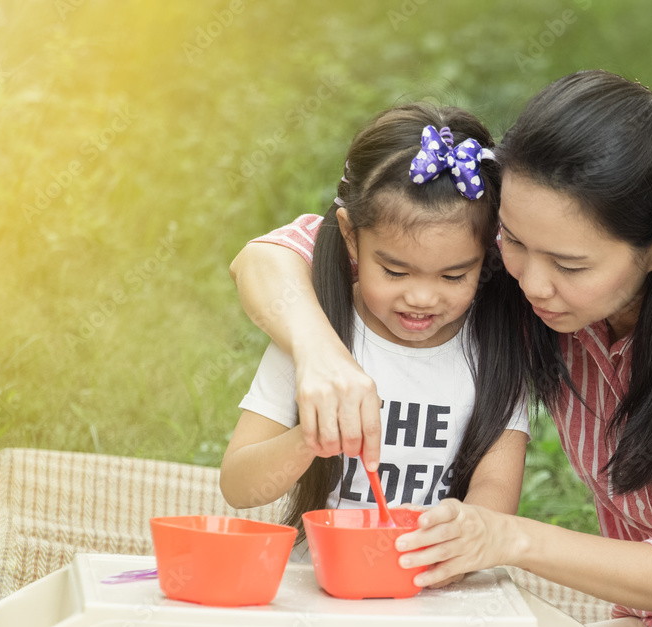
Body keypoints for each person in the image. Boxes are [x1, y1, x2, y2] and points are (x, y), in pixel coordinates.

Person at [228, 70, 652, 627]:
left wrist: (506, 537)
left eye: (570, 265)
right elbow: (270, 256)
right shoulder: (502, 265)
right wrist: (322, 356)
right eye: (513, 240)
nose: (530, 282)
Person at [220, 103, 531, 557]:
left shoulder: (495, 347)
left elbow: (496, 488)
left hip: (438, 582)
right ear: (350, 237)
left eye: (453, 276)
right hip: (323, 579)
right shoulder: (317, 328)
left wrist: (463, 534)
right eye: (395, 271)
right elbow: (239, 484)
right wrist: (309, 439)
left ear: (489, 255)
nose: (423, 298)